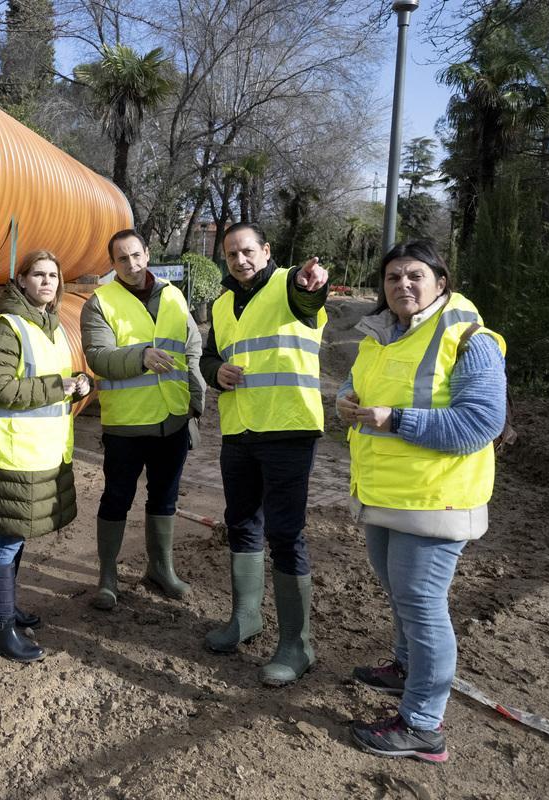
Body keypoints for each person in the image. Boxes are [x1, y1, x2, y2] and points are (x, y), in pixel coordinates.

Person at [337, 240, 507, 763]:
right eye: (393, 277)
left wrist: (396, 420)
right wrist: (345, 400)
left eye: (415, 275)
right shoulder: (382, 334)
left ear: (441, 282)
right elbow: (358, 385)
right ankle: (405, 668)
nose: (402, 285)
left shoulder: (469, 338)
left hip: (435, 499)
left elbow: (480, 423)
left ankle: (422, 725)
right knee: (400, 594)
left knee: (423, 606)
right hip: (385, 492)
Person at [199, 222, 329, 686]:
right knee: (241, 523)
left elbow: (310, 297)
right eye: (232, 254)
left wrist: (312, 284)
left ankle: (297, 645)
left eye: (247, 251)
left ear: (266, 250)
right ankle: (246, 618)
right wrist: (216, 372)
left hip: (288, 427)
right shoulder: (221, 304)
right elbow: (208, 356)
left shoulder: (290, 284)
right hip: (239, 430)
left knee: (285, 533)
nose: (240, 260)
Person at [80, 229, 206, 610]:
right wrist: (141, 356)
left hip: (173, 418)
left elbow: (192, 347)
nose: (131, 264)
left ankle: (160, 569)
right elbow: (98, 357)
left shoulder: (172, 294)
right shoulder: (100, 303)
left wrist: (195, 401)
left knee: (165, 496)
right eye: (122, 258)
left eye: (136, 255)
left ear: (148, 254)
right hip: (127, 424)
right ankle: (107, 575)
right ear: (112, 264)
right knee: (117, 497)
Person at [0, 249, 92, 663]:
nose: (47, 282)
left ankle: (3, 609)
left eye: (53, 276)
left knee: (19, 531)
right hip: (17, 451)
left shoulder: (51, 325)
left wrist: (79, 384)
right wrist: (60, 387)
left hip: (41, 448)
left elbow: (53, 380)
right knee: (8, 537)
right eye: (39, 275)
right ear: (22, 280)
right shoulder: (7, 328)